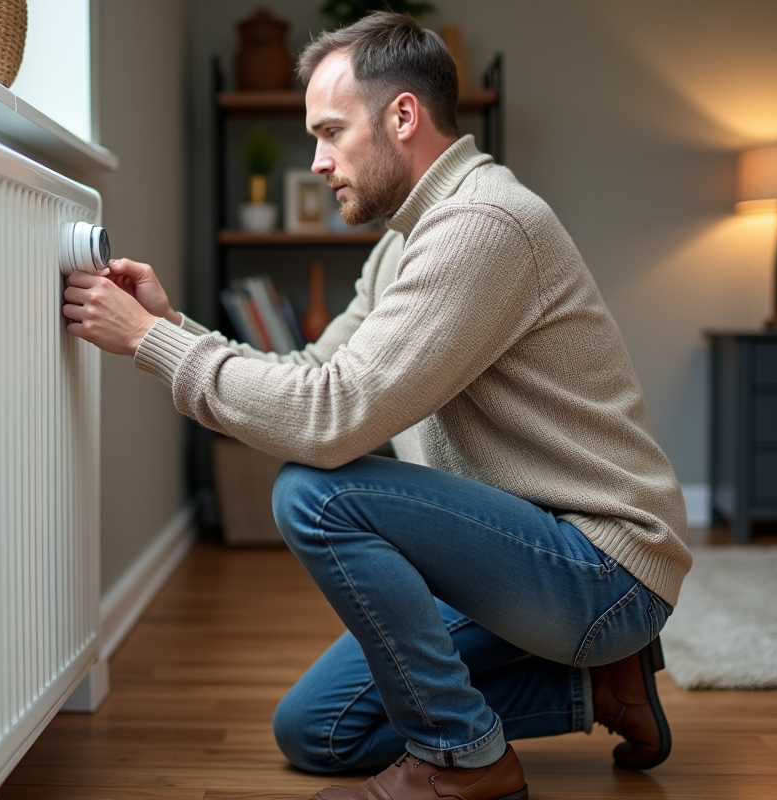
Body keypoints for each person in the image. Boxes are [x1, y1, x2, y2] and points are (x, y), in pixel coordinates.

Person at [62, 12, 691, 800]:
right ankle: (598, 688)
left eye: (330, 132)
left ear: (402, 116)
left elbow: (329, 421)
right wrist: (173, 325)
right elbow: (314, 372)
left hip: (601, 566)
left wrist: (150, 343)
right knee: (319, 732)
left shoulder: (482, 225)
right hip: (518, 548)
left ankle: (465, 762)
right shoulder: (407, 238)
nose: (318, 162)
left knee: (314, 493)